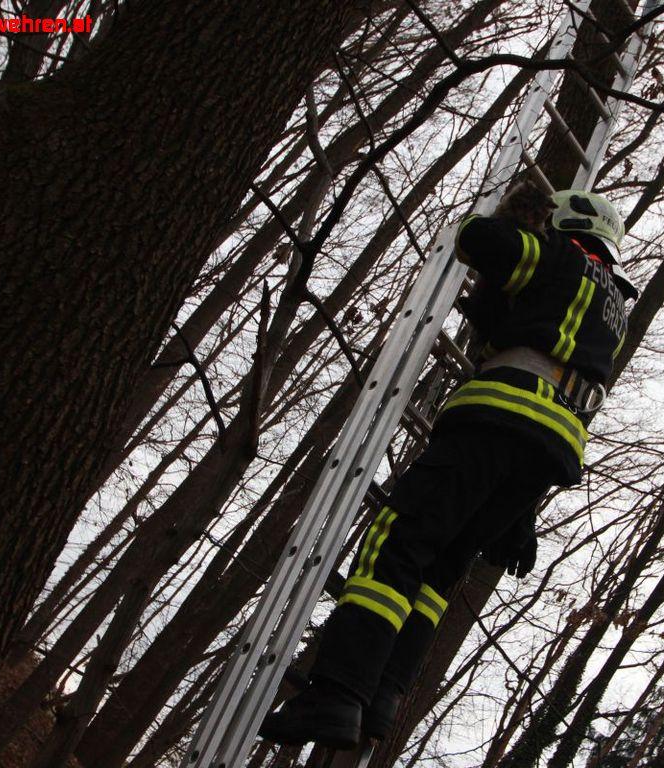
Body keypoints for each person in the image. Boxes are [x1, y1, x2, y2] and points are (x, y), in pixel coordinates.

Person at [259, 184, 638, 749]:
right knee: (438, 572)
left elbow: (477, 239)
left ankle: (336, 693)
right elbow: (541, 333)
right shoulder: (616, 310)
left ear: (566, 225)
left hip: (498, 415)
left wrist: (511, 219)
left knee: (398, 543)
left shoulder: (557, 256)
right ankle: (383, 694)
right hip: (551, 447)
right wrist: (520, 516)